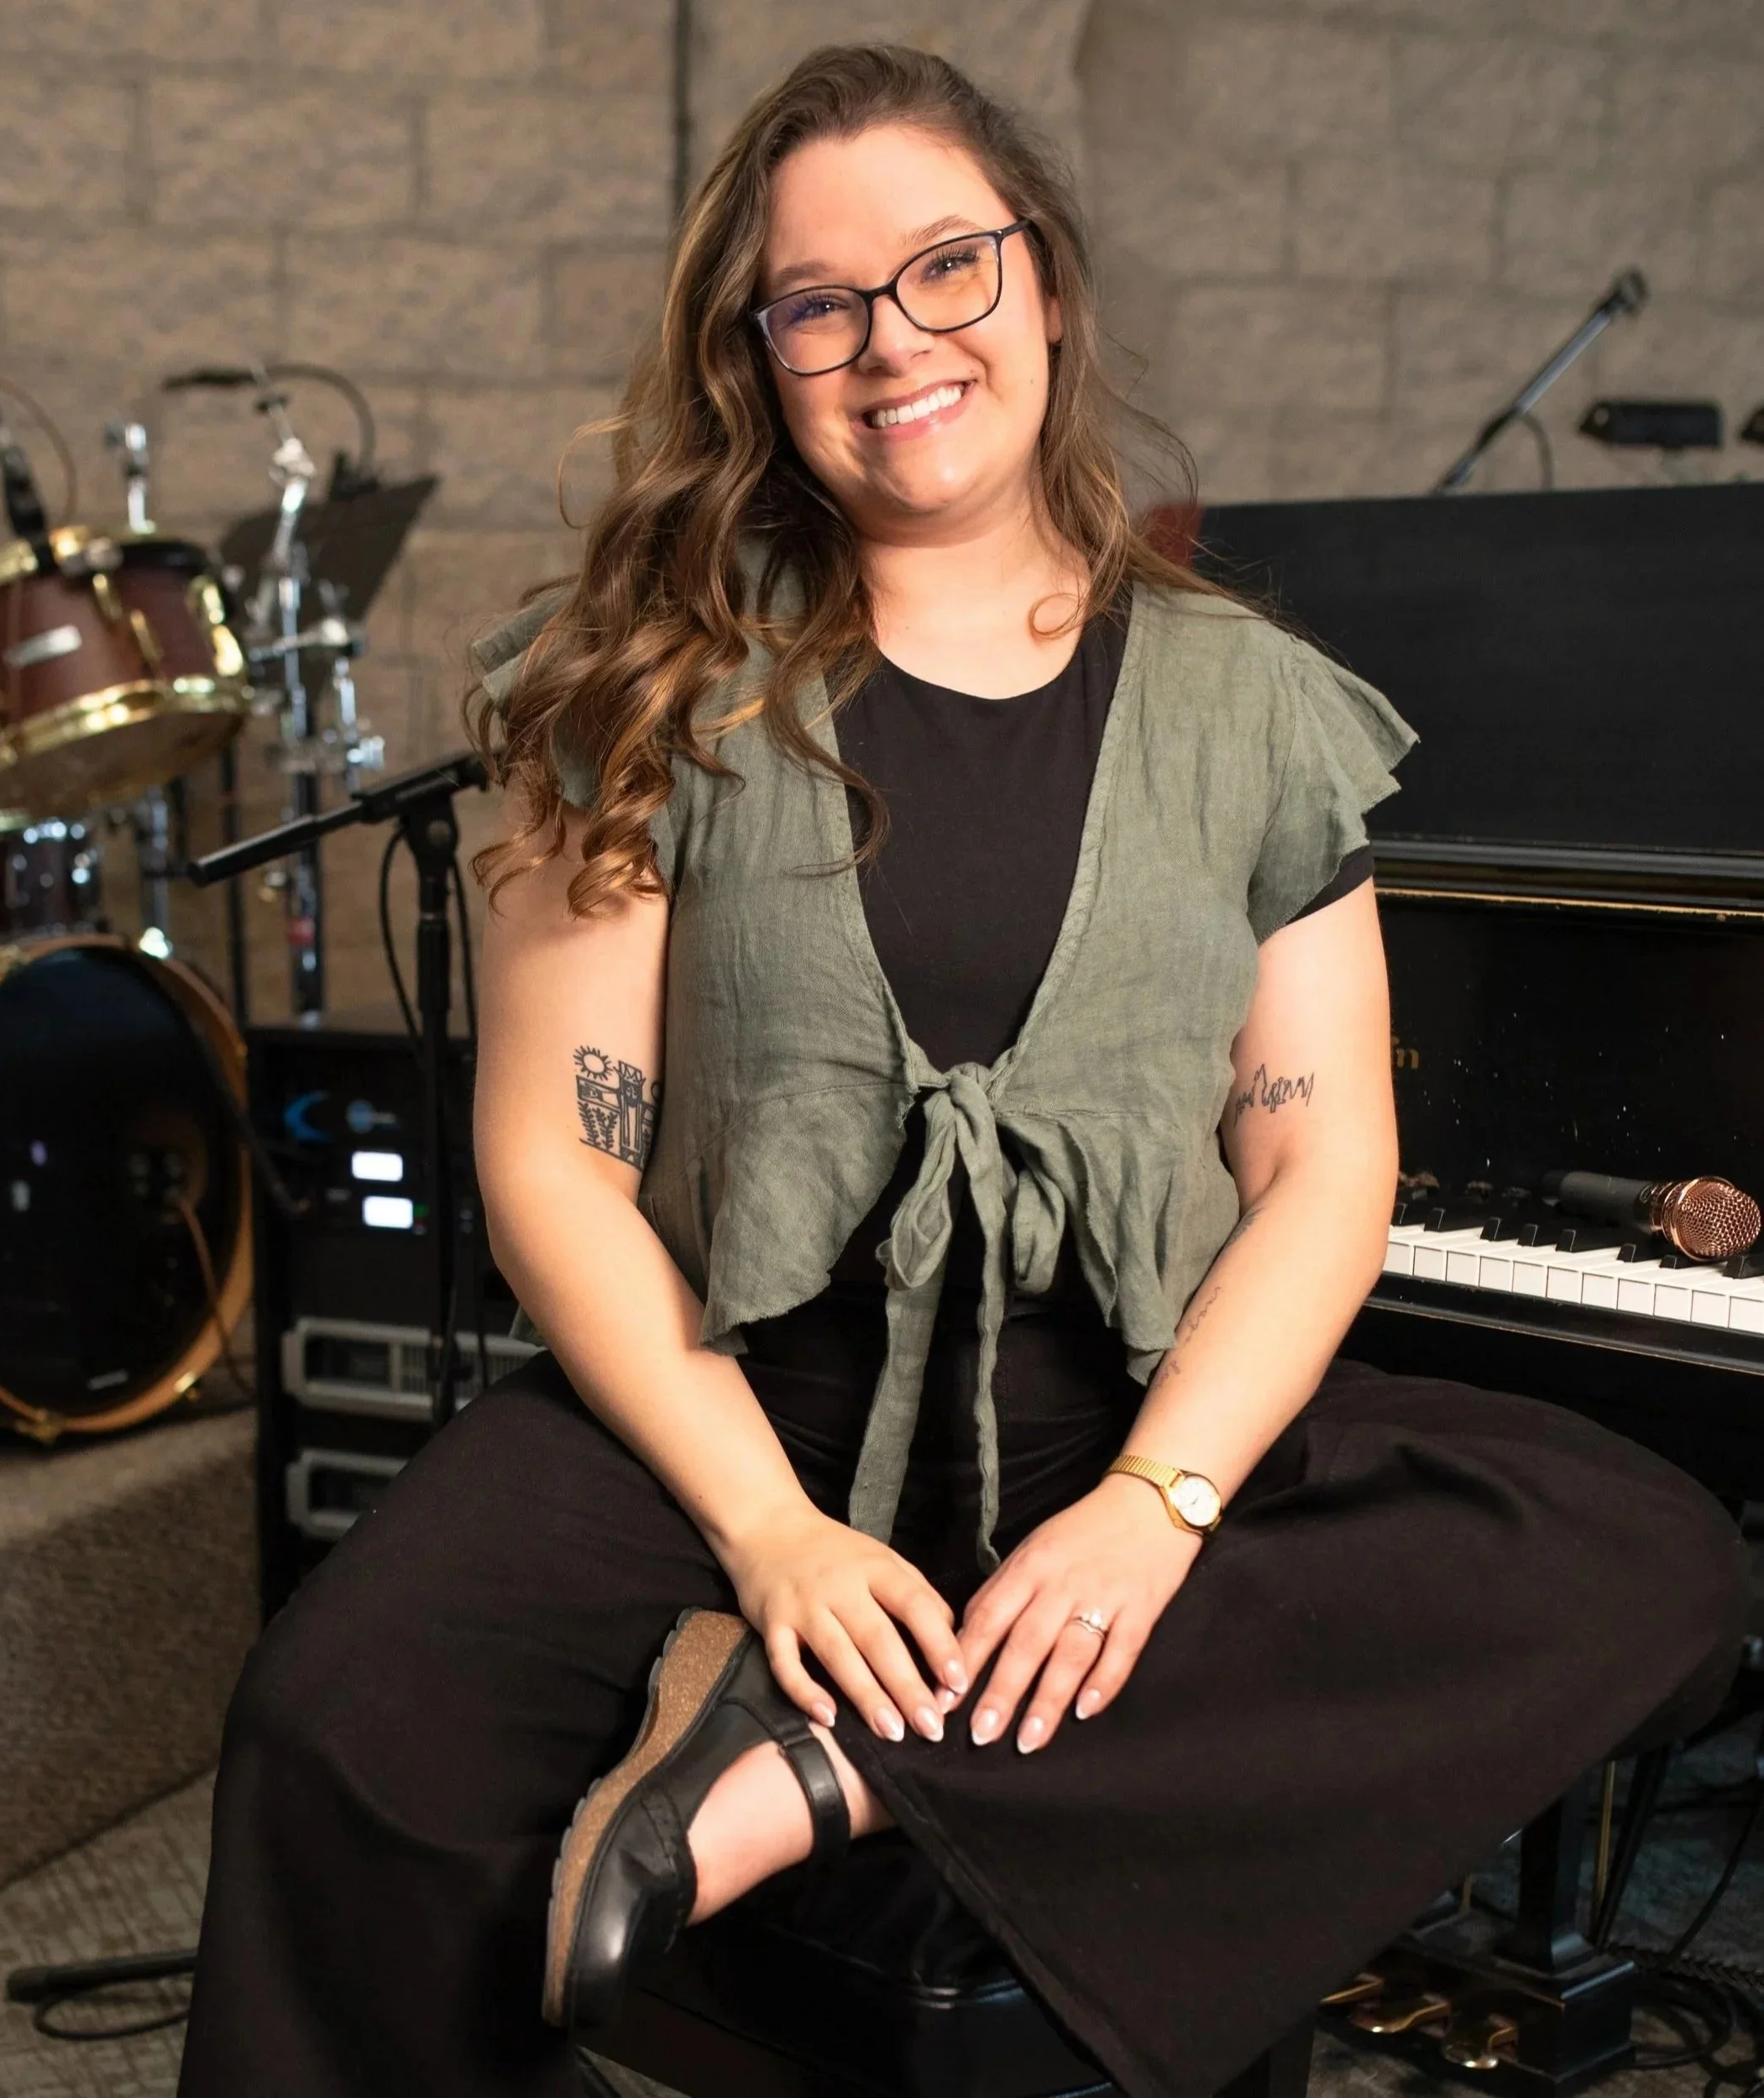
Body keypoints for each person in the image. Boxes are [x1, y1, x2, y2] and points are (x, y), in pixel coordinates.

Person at [177, 44, 1746, 2098]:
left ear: (1046, 285)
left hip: (1114, 1403)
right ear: (755, 363)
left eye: (945, 268)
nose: (892, 342)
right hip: (737, 1405)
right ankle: (818, 1698)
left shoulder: (1254, 708)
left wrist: (1155, 1509)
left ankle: (829, 1767)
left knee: (1651, 1560)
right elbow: (556, 1167)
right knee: (331, 1723)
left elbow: (1324, 1168)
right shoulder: (639, 686)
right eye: (816, 304)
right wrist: (771, 1535)